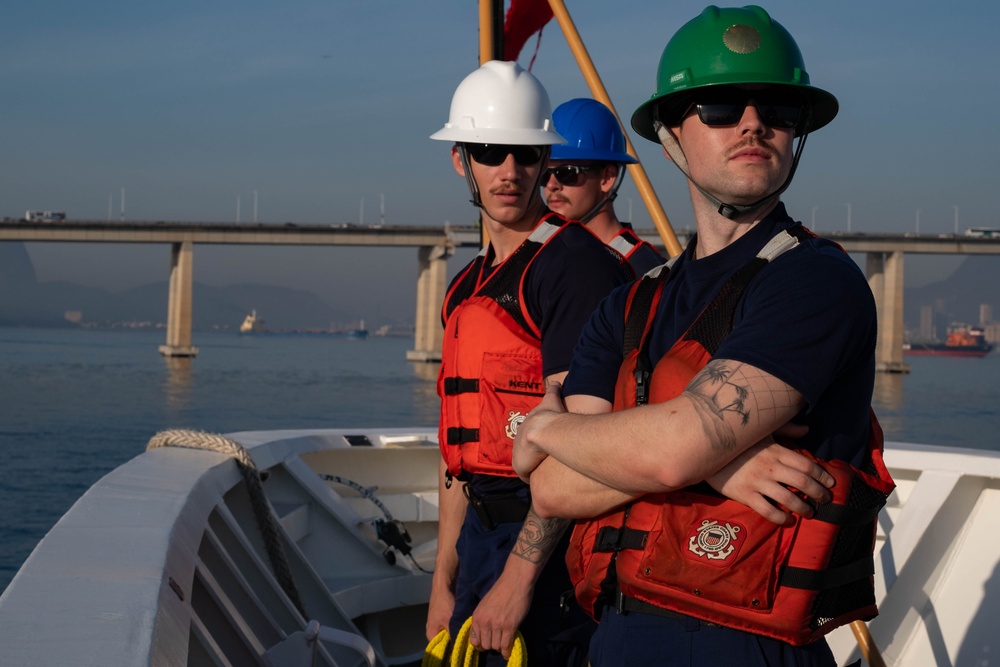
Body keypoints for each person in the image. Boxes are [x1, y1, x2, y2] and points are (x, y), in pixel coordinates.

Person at [513, 6, 895, 667]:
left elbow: (670, 451)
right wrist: (720, 461)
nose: (753, 122)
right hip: (621, 634)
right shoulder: (629, 304)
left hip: (752, 645)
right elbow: (552, 489)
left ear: (797, 130)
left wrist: (541, 430)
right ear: (670, 136)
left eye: (777, 107)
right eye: (720, 105)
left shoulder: (814, 283)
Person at [426, 60, 633, 666]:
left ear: (543, 157)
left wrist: (517, 582)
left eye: (525, 153)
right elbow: (456, 460)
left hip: (546, 549)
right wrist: (443, 580)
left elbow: (583, 443)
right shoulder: (465, 286)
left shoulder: (573, 269)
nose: (510, 172)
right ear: (461, 159)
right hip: (479, 541)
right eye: (491, 153)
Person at [545, 98, 666, 274]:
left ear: (607, 178)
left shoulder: (645, 271)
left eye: (567, 173)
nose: (551, 185)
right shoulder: (544, 260)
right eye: (544, 174)